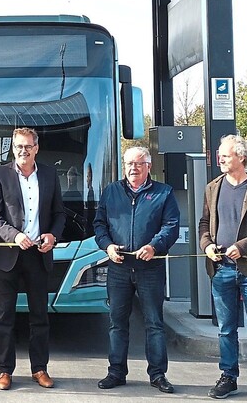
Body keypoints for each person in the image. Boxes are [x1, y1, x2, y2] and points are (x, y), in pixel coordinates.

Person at [93, 146, 180, 394]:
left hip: (149, 268)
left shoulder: (164, 193)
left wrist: (154, 246)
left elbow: (171, 226)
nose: (133, 168)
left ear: (148, 167)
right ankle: (116, 372)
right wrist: (107, 246)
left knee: (154, 323)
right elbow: (99, 224)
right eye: (129, 164)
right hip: (118, 268)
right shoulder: (111, 192)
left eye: (139, 164)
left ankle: (157, 374)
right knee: (117, 323)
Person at [199, 135, 247, 403]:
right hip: (220, 269)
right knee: (225, 329)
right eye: (220, 154)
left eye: (225, 155)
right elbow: (203, 224)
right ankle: (228, 377)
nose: (220, 158)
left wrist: (242, 246)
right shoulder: (212, 188)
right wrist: (207, 246)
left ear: (241, 157)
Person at [0, 127, 65, 391]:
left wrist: (53, 235)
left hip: (39, 255)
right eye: (19, 146)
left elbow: (59, 213)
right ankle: (5, 371)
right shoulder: (0, 174)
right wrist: (15, 235)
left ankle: (39, 369)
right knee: (3, 316)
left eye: (28, 146)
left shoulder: (50, 174)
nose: (23, 151)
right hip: (9, 254)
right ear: (13, 148)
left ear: (36, 148)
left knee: (39, 316)